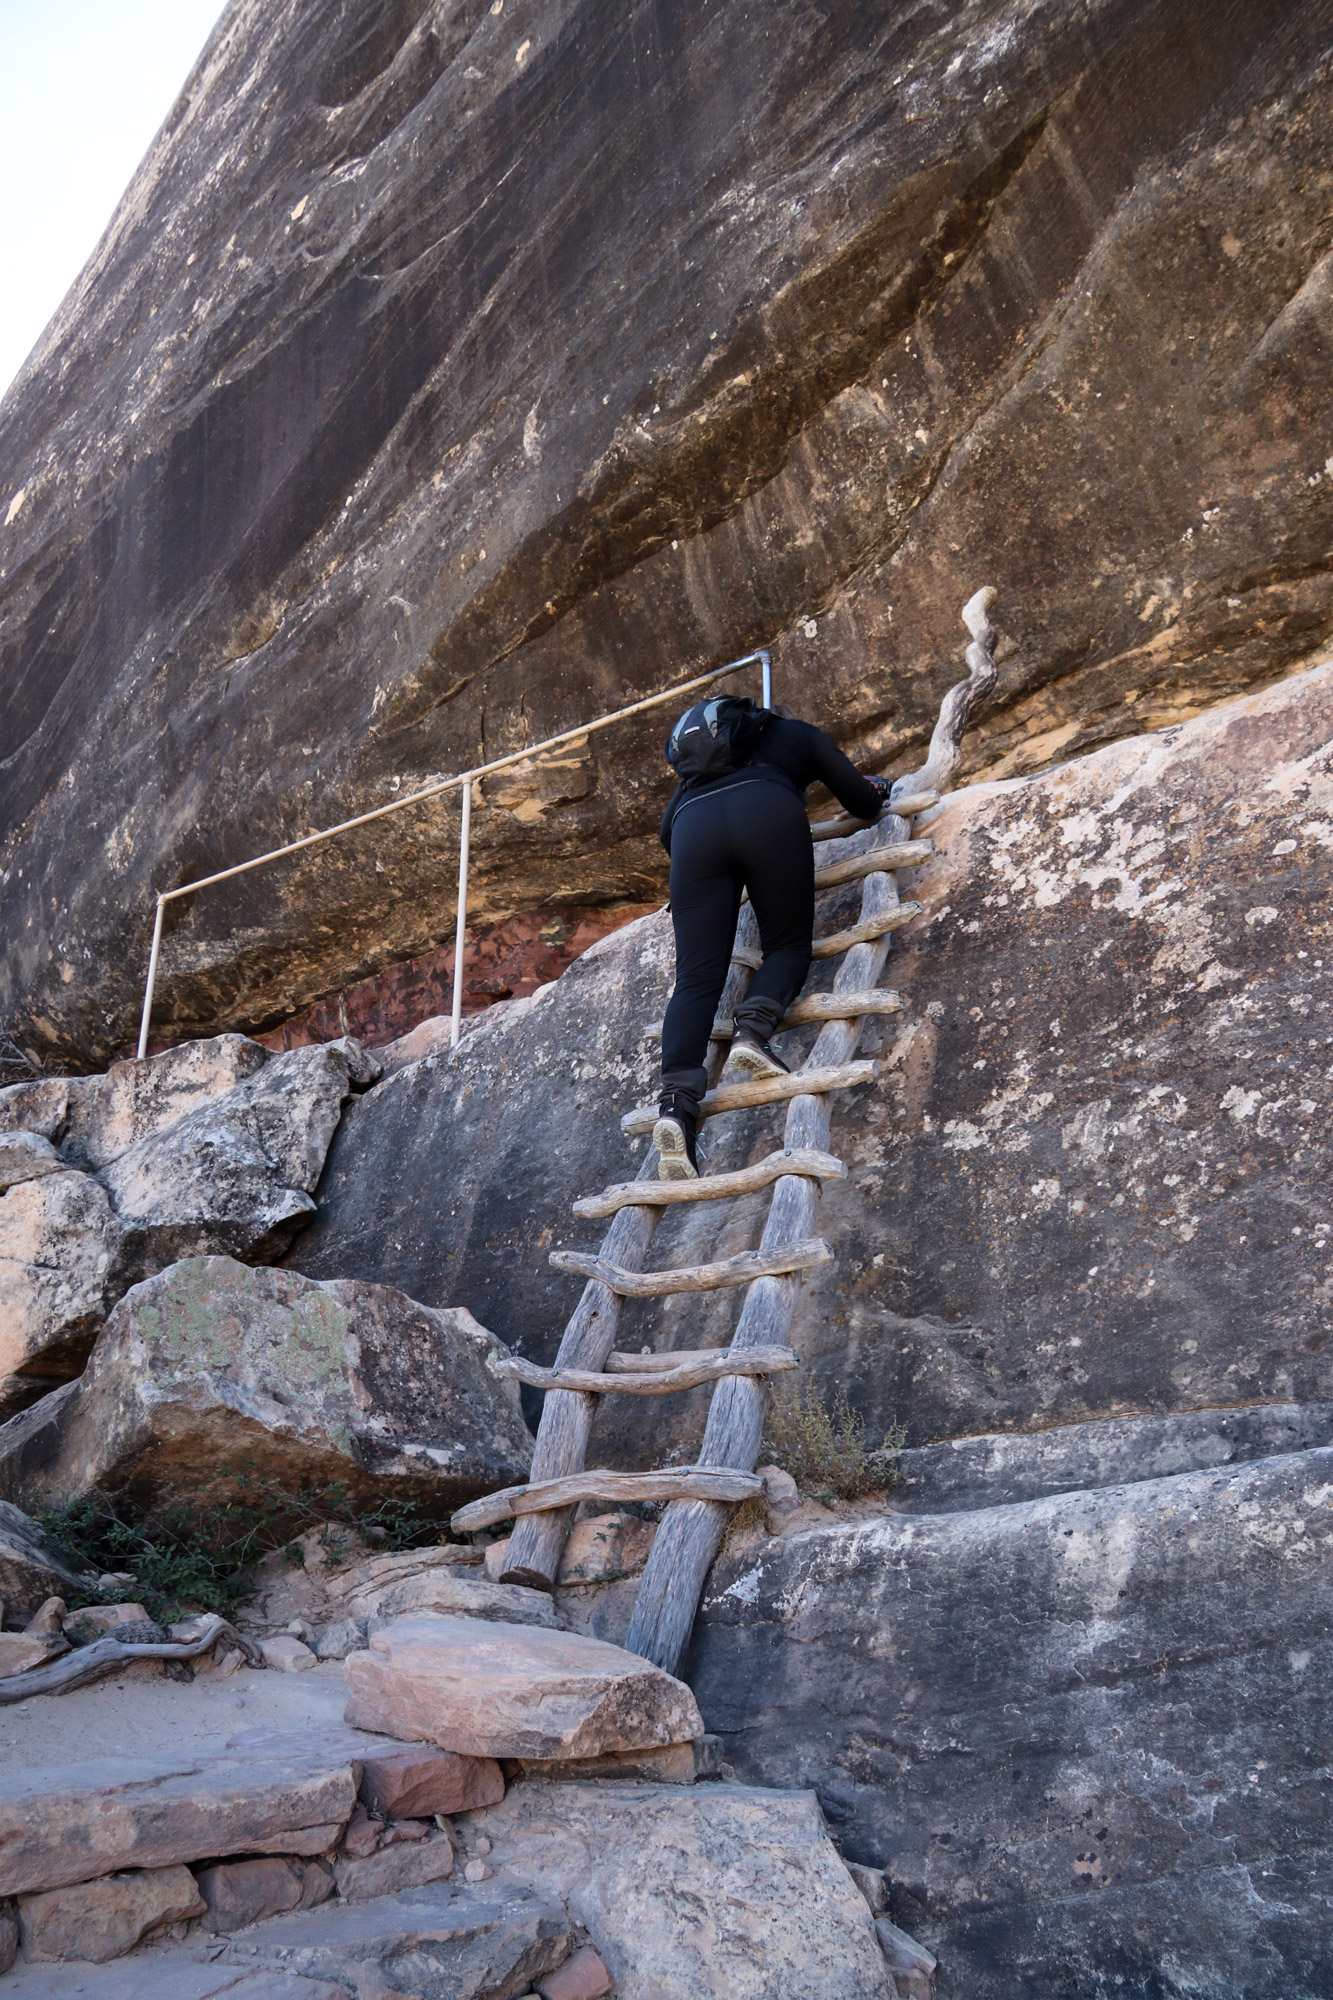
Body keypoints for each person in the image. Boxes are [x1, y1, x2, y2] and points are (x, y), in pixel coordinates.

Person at [652, 699, 892, 1179]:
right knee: (786, 945)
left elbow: (665, 834)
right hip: (767, 811)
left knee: (696, 980)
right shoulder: (797, 734)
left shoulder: (694, 774)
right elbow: (861, 800)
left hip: (692, 833)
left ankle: (676, 1104)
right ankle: (754, 1031)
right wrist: (879, 790)